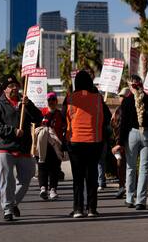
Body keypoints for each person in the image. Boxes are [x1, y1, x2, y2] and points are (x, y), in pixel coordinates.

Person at [0, 75, 42, 221]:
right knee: (7, 180)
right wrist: (12, 131)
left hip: (24, 147)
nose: (14, 88)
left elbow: (38, 118)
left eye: (15, 86)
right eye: (10, 86)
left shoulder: (24, 103)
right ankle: (7, 209)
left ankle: (13, 203)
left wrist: (29, 104)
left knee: (27, 176)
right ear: (4, 89)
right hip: (6, 148)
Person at [63, 70, 111, 218]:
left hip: (75, 142)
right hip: (94, 142)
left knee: (78, 178)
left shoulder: (70, 98)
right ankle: (91, 209)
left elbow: (65, 118)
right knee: (92, 176)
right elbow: (107, 117)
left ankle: (78, 209)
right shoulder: (97, 98)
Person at [117, 75, 148, 210]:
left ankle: (130, 198)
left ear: (131, 86)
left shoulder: (126, 101)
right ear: (141, 84)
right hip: (147, 133)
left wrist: (119, 141)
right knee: (144, 169)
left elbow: (123, 124)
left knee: (130, 167)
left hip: (132, 134)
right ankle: (141, 201)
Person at [36, 92, 66, 200]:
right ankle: (43, 188)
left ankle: (53, 189)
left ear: (56, 101)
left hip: (56, 145)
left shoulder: (60, 114)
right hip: (43, 144)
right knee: (42, 166)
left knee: (55, 168)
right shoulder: (41, 113)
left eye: (53, 99)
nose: (51, 102)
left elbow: (64, 128)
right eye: (49, 99)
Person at [110, 87, 130, 199]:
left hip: (124, 142)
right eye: (120, 96)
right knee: (120, 164)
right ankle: (122, 186)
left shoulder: (127, 109)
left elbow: (123, 126)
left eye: (122, 96)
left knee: (126, 165)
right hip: (119, 141)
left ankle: (127, 187)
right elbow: (114, 126)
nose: (120, 98)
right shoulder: (118, 109)